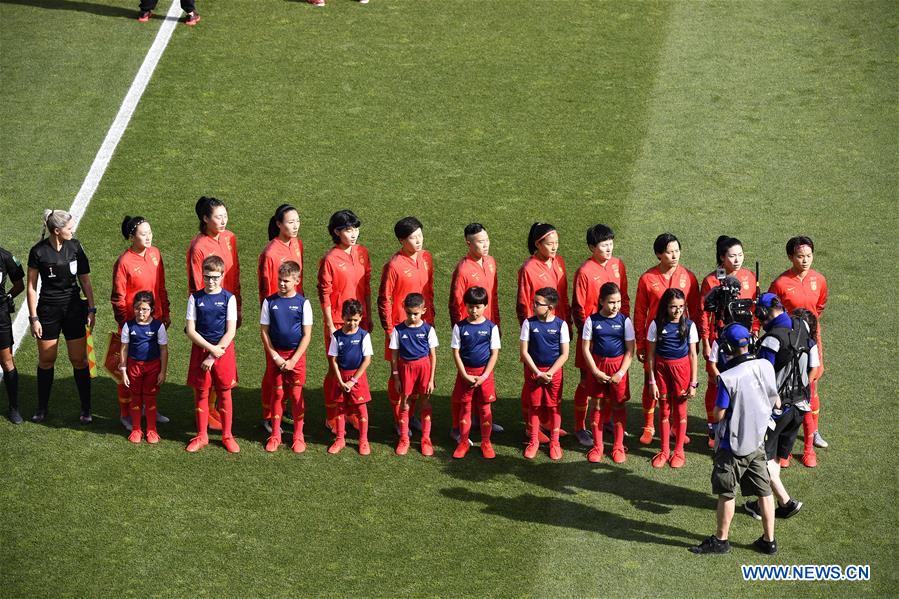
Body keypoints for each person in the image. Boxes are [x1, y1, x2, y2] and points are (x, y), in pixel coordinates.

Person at [691, 323, 780, 555]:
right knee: (764, 491)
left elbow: (718, 415)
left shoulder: (728, 377)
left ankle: (721, 540)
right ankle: (769, 541)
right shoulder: (765, 365)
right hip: (758, 441)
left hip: (732, 445)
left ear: (728, 348)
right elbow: (776, 400)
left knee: (726, 492)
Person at [743, 295, 817, 519]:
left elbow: (761, 377)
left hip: (776, 410)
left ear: (765, 312)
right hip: (800, 406)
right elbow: (814, 365)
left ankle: (785, 502)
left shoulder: (772, 340)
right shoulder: (802, 326)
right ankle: (762, 504)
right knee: (774, 457)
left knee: (760, 459)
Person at [26, 209, 96, 424]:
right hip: (48, 312)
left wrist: (91, 309)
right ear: (57, 231)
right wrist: (34, 318)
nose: (73, 230)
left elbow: (85, 281)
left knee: (79, 360)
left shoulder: (75, 247)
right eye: (69, 228)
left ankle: (86, 408)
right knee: (47, 360)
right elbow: (31, 287)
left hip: (74, 310)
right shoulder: (38, 252)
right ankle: (42, 407)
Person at [633, 233, 700, 445]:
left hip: (679, 342)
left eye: (677, 251)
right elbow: (640, 312)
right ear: (658, 254)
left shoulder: (689, 277)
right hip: (655, 341)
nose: (674, 256)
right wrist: (640, 343)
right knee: (651, 382)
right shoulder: (647, 278)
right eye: (669, 252)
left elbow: (695, 311)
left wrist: (695, 341)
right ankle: (649, 425)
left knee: (678, 386)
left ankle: (674, 426)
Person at [768, 235, 829, 453]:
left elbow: (819, 306)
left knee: (812, 384)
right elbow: (771, 311)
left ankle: (814, 431)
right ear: (790, 257)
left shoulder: (819, 280)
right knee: (788, 384)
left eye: (809, 256)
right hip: (790, 341)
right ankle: (784, 429)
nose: (805, 260)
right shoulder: (780, 283)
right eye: (800, 256)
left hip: (812, 339)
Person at [111, 215, 171, 430]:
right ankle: (126, 413)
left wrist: (165, 313)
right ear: (132, 237)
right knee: (128, 368)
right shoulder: (124, 262)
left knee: (153, 366)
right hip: (133, 325)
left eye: (150, 232)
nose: (148, 237)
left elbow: (161, 286)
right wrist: (126, 325)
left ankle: (148, 407)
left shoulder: (155, 254)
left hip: (155, 323)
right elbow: (118, 297)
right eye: (143, 234)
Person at [571, 224, 629, 447]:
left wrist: (623, 327)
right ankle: (579, 427)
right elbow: (578, 308)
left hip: (615, 337)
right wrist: (589, 334)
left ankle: (606, 421)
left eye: (610, 244)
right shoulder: (585, 272)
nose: (608, 248)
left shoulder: (618, 265)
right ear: (591, 247)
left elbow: (624, 298)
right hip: (592, 339)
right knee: (586, 382)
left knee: (612, 381)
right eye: (604, 245)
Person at [187, 196, 242, 430]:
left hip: (227, 308)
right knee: (205, 365)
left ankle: (213, 407)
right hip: (208, 313)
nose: (223, 221)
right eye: (218, 217)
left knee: (222, 362)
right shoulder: (199, 247)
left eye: (225, 216)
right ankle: (205, 411)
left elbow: (235, 273)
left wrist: (238, 306)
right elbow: (197, 284)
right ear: (205, 219)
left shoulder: (229, 238)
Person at [378, 217, 434, 437]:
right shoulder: (394, 265)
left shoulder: (426, 257)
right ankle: (399, 419)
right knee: (399, 377)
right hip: (401, 332)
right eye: (413, 237)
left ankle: (412, 416)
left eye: (420, 235)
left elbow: (430, 292)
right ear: (402, 240)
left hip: (423, 328)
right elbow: (384, 299)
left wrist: (431, 321)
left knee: (421, 375)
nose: (419, 240)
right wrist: (390, 330)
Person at [698, 236, 756, 447]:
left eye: (740, 255)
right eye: (732, 256)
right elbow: (704, 314)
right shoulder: (711, 281)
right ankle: (712, 424)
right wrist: (706, 342)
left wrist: (755, 331)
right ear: (722, 257)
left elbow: (754, 309)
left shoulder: (749, 277)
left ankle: (737, 422)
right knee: (715, 381)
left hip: (744, 341)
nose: (737, 260)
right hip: (719, 340)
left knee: (743, 382)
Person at [318, 210, 371, 433]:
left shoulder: (362, 253)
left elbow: (366, 287)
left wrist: (368, 316)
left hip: (359, 321)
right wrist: (330, 324)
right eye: (348, 230)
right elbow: (324, 293)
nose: (354, 234)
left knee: (357, 366)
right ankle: (332, 415)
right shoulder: (330, 259)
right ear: (337, 232)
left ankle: (351, 412)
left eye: (356, 229)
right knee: (336, 369)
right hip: (339, 323)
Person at [448, 223, 503, 440]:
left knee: (486, 376)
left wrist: (497, 325)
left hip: (488, 329)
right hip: (469, 333)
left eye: (487, 240)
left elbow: (494, 296)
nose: (485, 245)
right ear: (468, 243)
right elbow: (455, 304)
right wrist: (460, 333)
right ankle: (456, 427)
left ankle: (481, 420)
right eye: (480, 242)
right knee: (464, 383)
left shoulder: (491, 262)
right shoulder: (463, 269)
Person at [517, 223, 570, 441]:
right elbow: (523, 304)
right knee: (533, 382)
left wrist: (567, 324)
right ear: (538, 244)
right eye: (550, 244)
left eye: (557, 243)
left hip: (557, 328)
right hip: (537, 333)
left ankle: (547, 422)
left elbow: (563, 297)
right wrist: (530, 333)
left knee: (554, 381)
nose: (555, 247)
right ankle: (531, 427)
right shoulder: (528, 269)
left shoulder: (559, 262)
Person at [184, 255, 239, 453]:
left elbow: (230, 331)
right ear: (202, 275)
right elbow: (191, 331)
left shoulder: (229, 298)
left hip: (223, 351)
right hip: (202, 350)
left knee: (225, 393)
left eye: (215, 277)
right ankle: (202, 436)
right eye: (207, 277)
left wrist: (214, 354)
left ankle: (227, 436)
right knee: (201, 393)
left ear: (222, 276)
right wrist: (210, 349)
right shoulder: (195, 298)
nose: (211, 281)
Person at [257, 204, 304, 434]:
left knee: (293, 369)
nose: (295, 226)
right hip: (277, 316)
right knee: (273, 369)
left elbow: (299, 281)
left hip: (295, 313)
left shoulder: (297, 244)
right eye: (290, 222)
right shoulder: (270, 253)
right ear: (278, 224)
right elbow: (266, 290)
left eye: (297, 221)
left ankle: (282, 408)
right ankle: (268, 414)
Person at [260, 261, 312, 453]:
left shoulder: (303, 303)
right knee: (278, 394)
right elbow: (264, 331)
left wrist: (293, 360)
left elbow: (307, 335)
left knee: (296, 395)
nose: (282, 283)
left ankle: (298, 436)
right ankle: (275, 435)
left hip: (295, 357)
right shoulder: (269, 302)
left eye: (286, 281)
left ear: (297, 281)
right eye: (280, 280)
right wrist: (275, 356)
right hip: (276, 356)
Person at [580, 282, 634, 463]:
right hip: (598, 367)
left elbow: (630, 350)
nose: (615, 306)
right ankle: (598, 447)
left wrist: (621, 373)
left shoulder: (625, 321)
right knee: (597, 405)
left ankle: (618, 446)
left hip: (618, 368)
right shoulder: (591, 321)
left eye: (618, 302)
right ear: (602, 301)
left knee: (618, 405)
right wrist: (595, 371)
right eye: (611, 302)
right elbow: (585, 348)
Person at [646, 288, 699, 468]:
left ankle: (679, 451)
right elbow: (651, 356)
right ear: (665, 307)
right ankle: (664, 451)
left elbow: (693, 355)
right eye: (673, 307)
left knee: (681, 410)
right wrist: (652, 382)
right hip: (661, 371)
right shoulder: (656, 325)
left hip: (681, 371)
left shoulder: (690, 325)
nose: (678, 311)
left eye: (681, 306)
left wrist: (693, 383)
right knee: (664, 411)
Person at [450, 286, 501, 460]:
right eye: (470, 306)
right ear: (465, 306)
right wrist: (464, 375)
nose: (474, 311)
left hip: (484, 375)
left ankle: (486, 442)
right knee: (465, 407)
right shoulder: (459, 327)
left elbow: (494, 354)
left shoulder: (491, 327)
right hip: (466, 374)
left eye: (478, 307)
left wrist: (484, 376)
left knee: (485, 408)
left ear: (485, 306)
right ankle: (463, 442)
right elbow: (456, 353)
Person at [520, 287, 570, 460]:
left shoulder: (561, 325)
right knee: (534, 406)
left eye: (537, 303)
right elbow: (524, 352)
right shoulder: (528, 323)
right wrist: (538, 372)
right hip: (533, 372)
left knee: (554, 407)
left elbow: (565, 354)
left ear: (550, 307)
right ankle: (533, 441)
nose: (533, 306)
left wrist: (549, 373)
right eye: (534, 302)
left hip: (553, 373)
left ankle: (554, 442)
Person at [389, 293, 438, 456]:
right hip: (405, 369)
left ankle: (426, 439)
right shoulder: (398, 330)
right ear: (404, 309)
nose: (412, 317)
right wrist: (396, 377)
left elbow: (433, 356)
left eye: (415, 314)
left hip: (424, 368)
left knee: (425, 401)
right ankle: (404, 439)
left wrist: (431, 379)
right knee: (405, 402)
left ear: (423, 311)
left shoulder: (428, 329)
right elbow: (394, 356)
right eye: (409, 313)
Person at [119, 292, 168, 444]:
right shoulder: (128, 326)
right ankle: (136, 429)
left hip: (153, 367)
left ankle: (152, 430)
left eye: (145, 309)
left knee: (150, 398)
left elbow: (164, 350)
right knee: (135, 397)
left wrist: (162, 372)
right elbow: (124, 349)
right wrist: (124, 371)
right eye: (137, 309)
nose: (141, 313)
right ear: (133, 308)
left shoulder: (158, 326)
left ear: (151, 309)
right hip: (134, 367)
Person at [327, 299, 374, 456]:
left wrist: (353, 380)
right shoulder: (336, 336)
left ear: (360, 318)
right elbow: (333, 360)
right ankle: (340, 439)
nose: (352, 323)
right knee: (340, 408)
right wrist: (340, 381)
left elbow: (367, 360)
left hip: (357, 378)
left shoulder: (364, 335)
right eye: (348, 320)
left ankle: (363, 440)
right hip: (341, 377)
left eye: (355, 320)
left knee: (361, 409)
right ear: (342, 317)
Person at [1, 246, 25, 423]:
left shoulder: (5, 257)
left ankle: (14, 408)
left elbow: (19, 285)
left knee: (7, 361)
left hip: (0, 317)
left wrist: (7, 298)